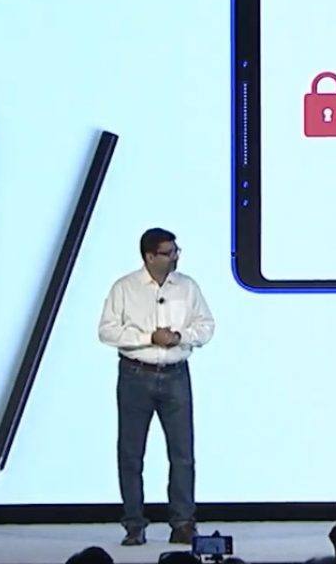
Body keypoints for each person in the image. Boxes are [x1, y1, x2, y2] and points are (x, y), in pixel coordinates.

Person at [98, 228, 215, 546]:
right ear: (150, 256)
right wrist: (148, 338)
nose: (175, 257)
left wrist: (179, 337)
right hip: (136, 374)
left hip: (176, 374)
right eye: (168, 252)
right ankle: (134, 524)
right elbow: (107, 331)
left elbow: (206, 326)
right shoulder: (125, 287)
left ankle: (183, 523)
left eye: (176, 251)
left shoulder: (187, 287)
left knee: (182, 453)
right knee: (131, 453)